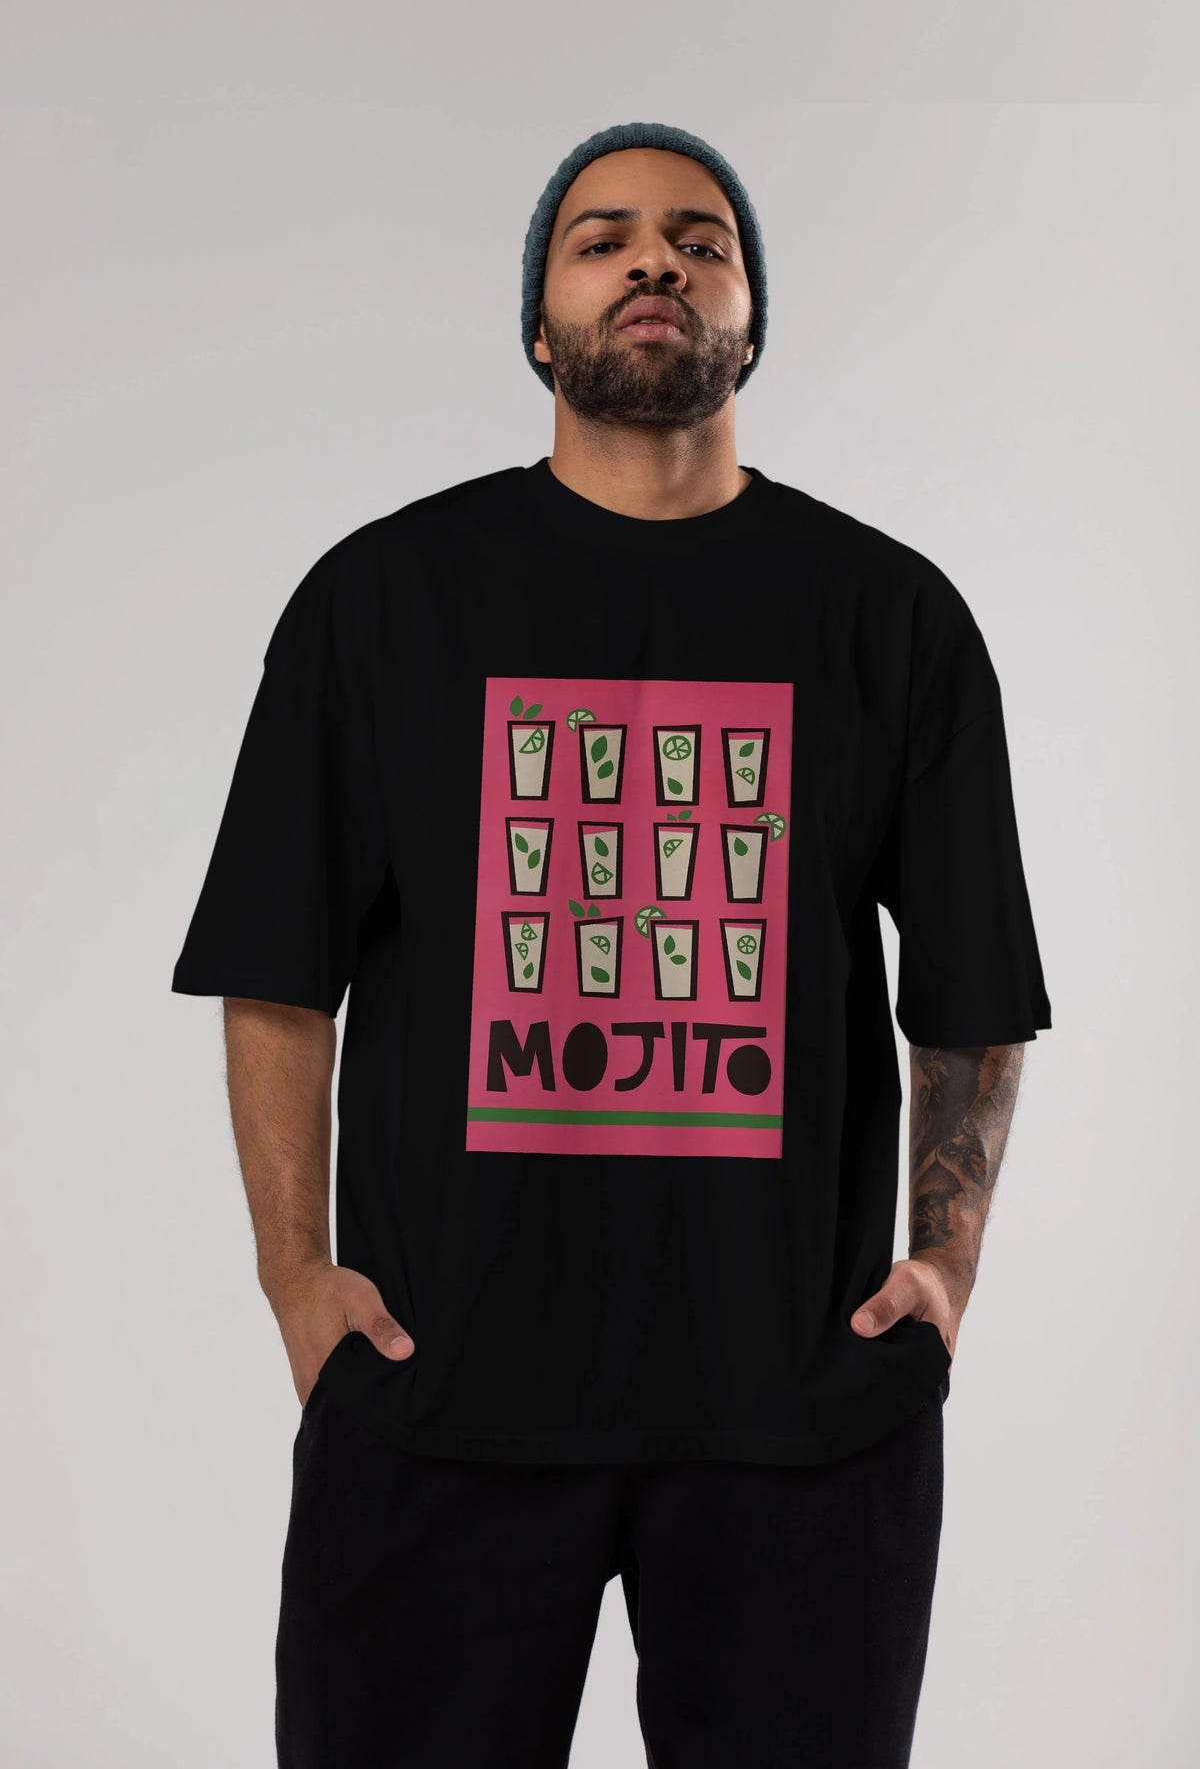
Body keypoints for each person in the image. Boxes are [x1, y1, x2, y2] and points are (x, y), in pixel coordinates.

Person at [171, 121, 1052, 1768]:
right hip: (436, 1390)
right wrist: (296, 1281)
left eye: (702, 239)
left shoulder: (890, 614)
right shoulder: (386, 598)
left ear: (751, 317)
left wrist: (948, 1270)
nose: (657, 259)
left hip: (803, 1415)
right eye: (603, 238)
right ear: (539, 323)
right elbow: (276, 967)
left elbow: (973, 992)